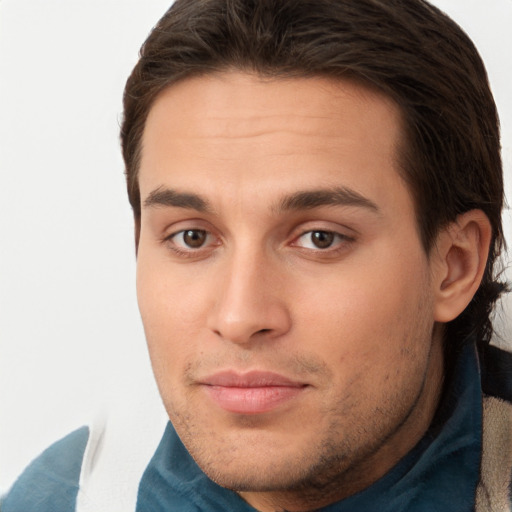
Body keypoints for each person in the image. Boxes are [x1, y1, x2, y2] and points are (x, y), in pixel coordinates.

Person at [2, 0, 511, 511]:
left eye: (320, 239)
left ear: (454, 265)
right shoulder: (68, 497)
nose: (240, 317)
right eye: (192, 237)